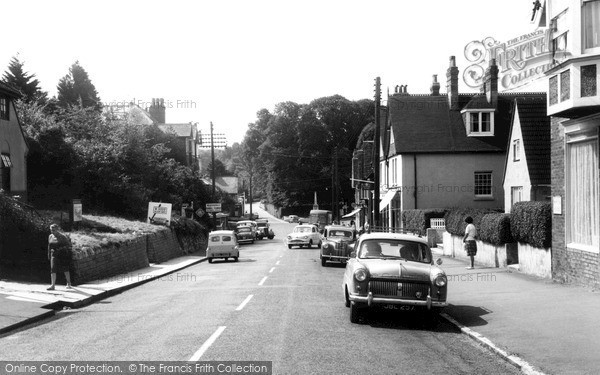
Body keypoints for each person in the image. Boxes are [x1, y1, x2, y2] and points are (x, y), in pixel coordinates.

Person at [47, 224, 73, 290]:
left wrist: (61, 249)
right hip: (54, 255)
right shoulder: (50, 236)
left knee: (65, 268)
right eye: (51, 230)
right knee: (53, 269)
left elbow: (69, 245)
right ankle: (53, 285)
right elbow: (49, 246)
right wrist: (49, 255)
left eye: (54, 230)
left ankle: (68, 283)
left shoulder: (62, 237)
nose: (52, 231)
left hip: (62, 255)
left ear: (57, 230)